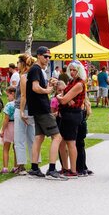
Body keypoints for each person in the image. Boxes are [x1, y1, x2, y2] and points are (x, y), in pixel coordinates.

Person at [28, 46, 64, 180]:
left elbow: (38, 88)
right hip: (42, 108)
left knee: (39, 137)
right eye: (45, 56)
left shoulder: (37, 70)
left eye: (49, 57)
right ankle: (52, 169)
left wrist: (49, 85)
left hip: (37, 108)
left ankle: (34, 168)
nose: (48, 59)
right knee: (57, 137)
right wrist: (47, 90)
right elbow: (35, 88)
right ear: (38, 56)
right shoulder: (36, 69)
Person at [55, 61, 87, 177]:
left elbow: (63, 99)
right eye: (71, 70)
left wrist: (61, 97)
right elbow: (64, 97)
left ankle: (73, 170)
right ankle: (65, 168)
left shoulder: (79, 84)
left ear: (79, 70)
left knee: (71, 142)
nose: (72, 72)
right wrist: (65, 98)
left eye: (74, 70)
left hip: (73, 114)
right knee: (61, 142)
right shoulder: (71, 82)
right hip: (66, 113)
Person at [13, 54, 37, 176]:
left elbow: (23, 96)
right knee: (32, 138)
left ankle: (21, 165)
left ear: (22, 63)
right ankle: (35, 164)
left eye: (18, 62)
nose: (17, 65)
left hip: (22, 109)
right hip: (33, 109)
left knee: (19, 139)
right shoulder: (36, 75)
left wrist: (21, 111)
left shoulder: (24, 76)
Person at [0, 85, 17, 174]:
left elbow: (6, 119)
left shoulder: (9, 105)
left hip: (9, 126)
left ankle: (5, 167)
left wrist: (2, 130)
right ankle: (16, 166)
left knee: (6, 147)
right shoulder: (18, 103)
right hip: (17, 126)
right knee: (16, 147)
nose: (7, 97)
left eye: (7, 95)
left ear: (12, 94)